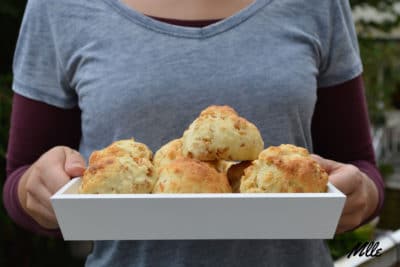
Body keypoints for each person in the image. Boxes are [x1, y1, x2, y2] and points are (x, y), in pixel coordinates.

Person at [3, 0, 385, 266]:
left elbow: (360, 168)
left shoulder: (319, 4)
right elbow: (21, 177)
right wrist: (34, 191)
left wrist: (360, 197)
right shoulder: (58, 7)